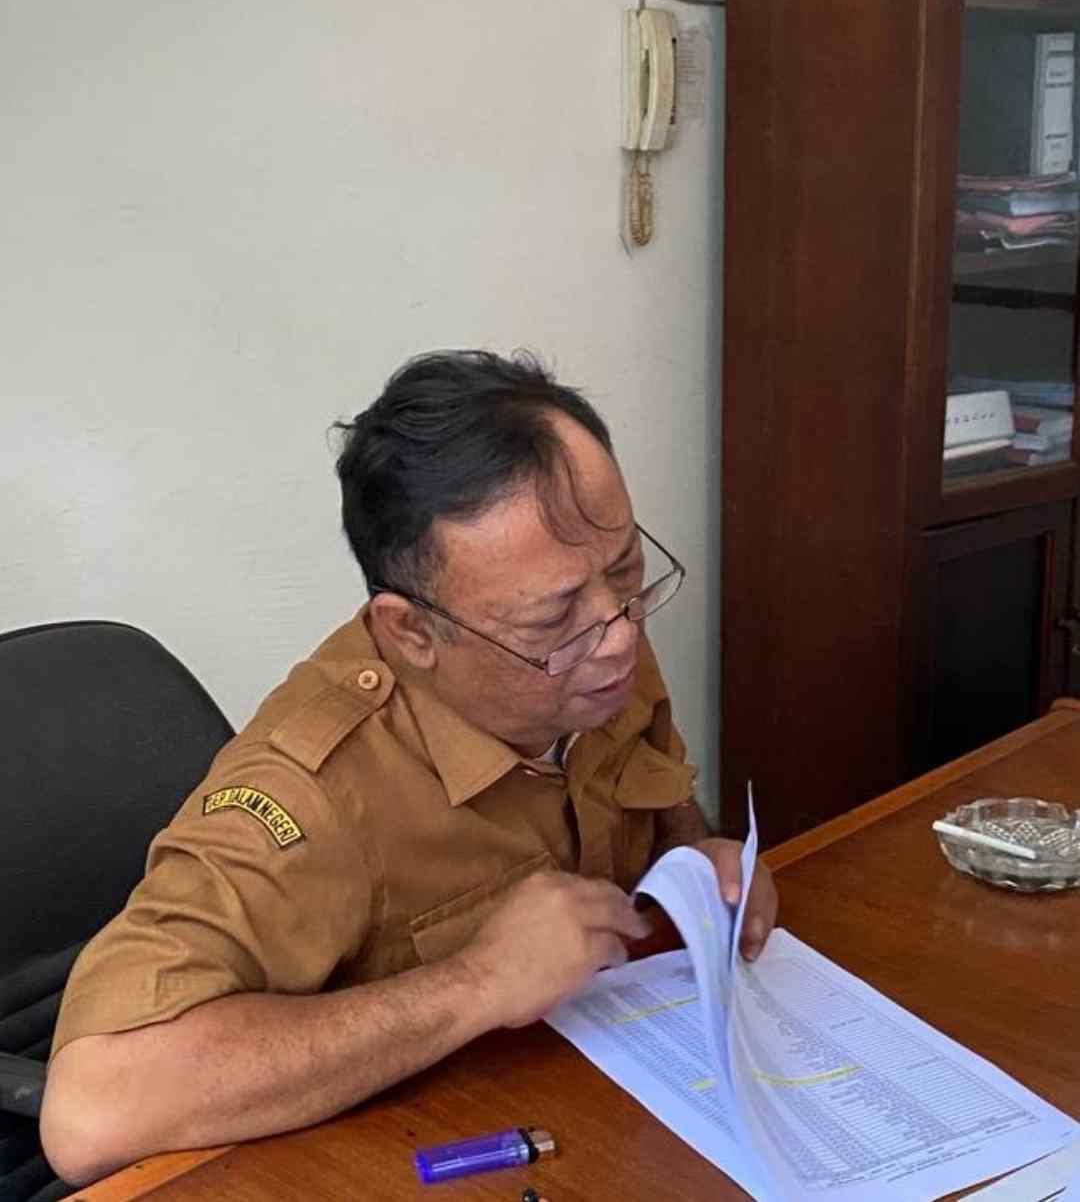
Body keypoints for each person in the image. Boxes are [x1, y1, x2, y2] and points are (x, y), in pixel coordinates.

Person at [42, 350, 777, 1185]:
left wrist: (702, 862)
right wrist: (476, 983)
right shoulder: (313, 795)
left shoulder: (591, 643)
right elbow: (91, 1109)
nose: (619, 636)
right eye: (554, 619)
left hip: (604, 1105)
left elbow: (653, 802)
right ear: (413, 634)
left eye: (624, 569)